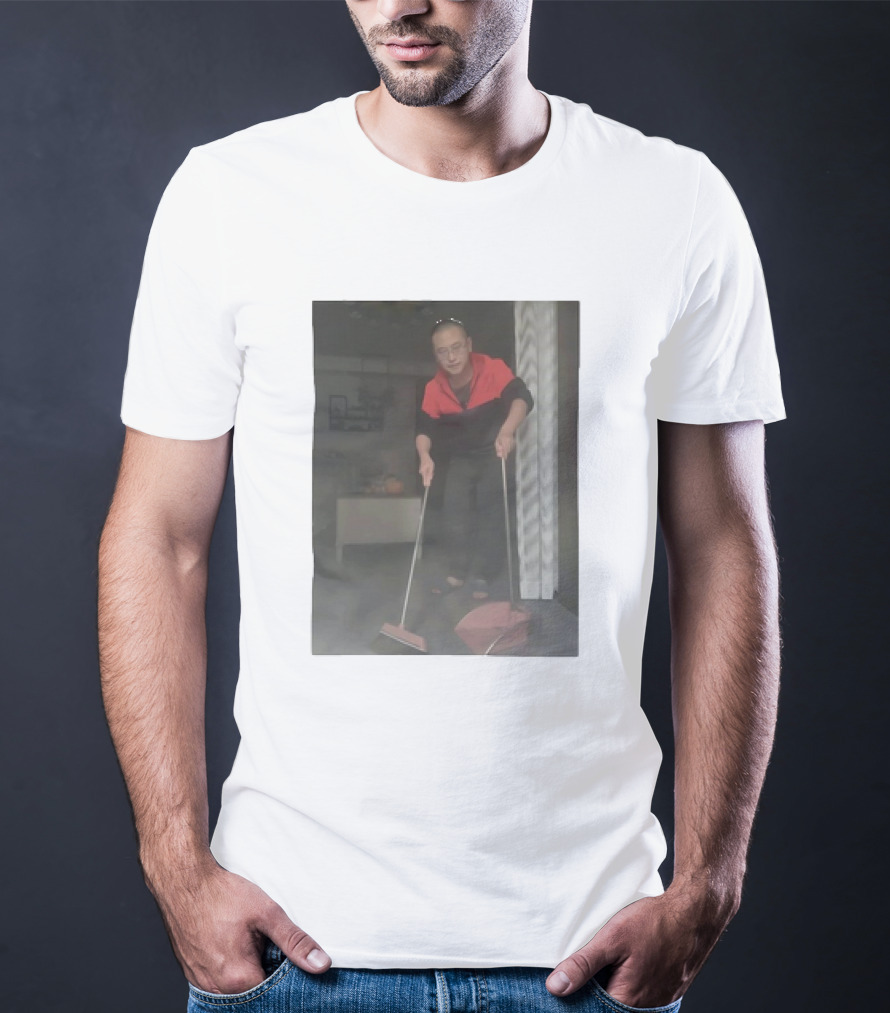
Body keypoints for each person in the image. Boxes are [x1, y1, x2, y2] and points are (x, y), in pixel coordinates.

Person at [97, 1, 787, 1010]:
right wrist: (176, 863)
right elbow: (158, 541)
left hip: (585, 953)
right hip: (298, 953)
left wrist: (711, 877)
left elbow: (724, 544)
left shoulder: (673, 203)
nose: (401, 3)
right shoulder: (231, 197)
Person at [415, 317, 534, 600]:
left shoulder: (492, 368)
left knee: (490, 513)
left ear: (469, 345)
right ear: (436, 354)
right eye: (443, 351)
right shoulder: (434, 387)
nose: (451, 357)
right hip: (461, 458)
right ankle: (457, 574)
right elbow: (424, 428)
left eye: (456, 347)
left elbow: (522, 398)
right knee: (454, 514)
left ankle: (483, 574)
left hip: (493, 452)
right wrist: (424, 455)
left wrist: (507, 431)